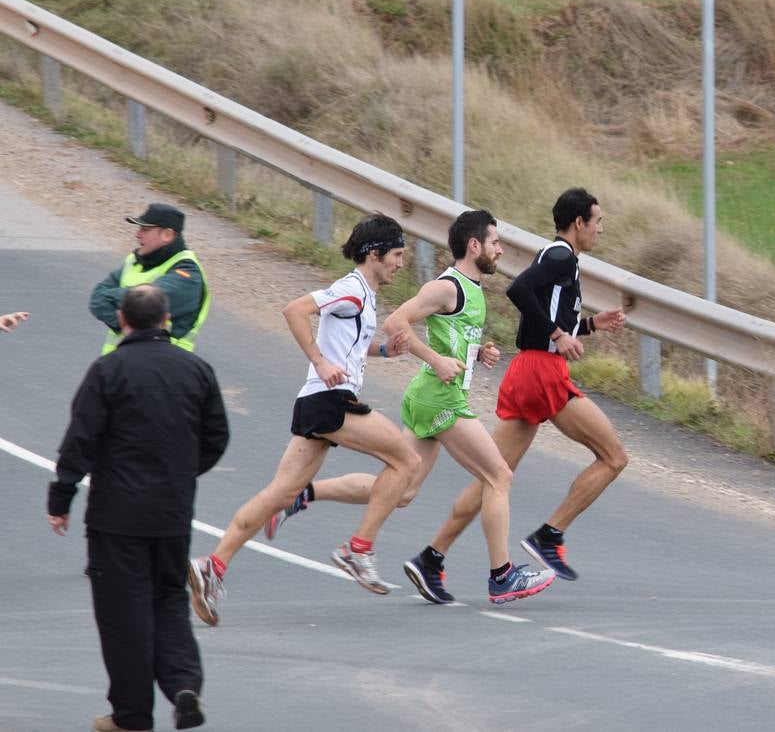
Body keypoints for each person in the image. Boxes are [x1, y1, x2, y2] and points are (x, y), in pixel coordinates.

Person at [264, 211, 555, 605]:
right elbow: (395, 324)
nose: (500, 250)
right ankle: (502, 575)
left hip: (432, 396)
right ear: (474, 245)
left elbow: (452, 336)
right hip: (440, 397)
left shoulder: (472, 288)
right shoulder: (447, 286)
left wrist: (477, 352)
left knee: (402, 492)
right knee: (499, 475)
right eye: (495, 243)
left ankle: (303, 494)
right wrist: (434, 360)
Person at [185, 214, 420, 626]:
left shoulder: (362, 294)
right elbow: (294, 310)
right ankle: (358, 549)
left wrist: (384, 352)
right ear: (374, 254)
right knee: (407, 462)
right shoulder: (351, 289)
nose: (401, 264)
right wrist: (319, 361)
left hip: (316, 401)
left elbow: (347, 347)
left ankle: (212, 566)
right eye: (397, 255)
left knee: (280, 493)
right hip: (330, 400)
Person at [414, 188, 627, 585]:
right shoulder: (561, 255)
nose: (601, 229)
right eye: (597, 221)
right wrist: (558, 334)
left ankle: (431, 557)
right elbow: (519, 290)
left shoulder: (564, 261)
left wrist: (592, 325)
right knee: (614, 457)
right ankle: (551, 534)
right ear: (578, 223)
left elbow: (542, 320)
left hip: (530, 369)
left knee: (494, 475)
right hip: (542, 373)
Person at [47, 285, 230, 732]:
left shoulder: (108, 370)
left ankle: (130, 716)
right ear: (166, 321)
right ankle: (185, 684)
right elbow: (216, 436)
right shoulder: (197, 369)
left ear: (123, 322)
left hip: (116, 517)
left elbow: (81, 438)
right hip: (172, 512)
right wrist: (181, 473)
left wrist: (62, 497)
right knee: (168, 600)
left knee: (122, 612)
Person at [89, 204, 210, 354]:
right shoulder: (134, 261)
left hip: (164, 365)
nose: (137, 234)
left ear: (167, 235)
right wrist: (127, 321)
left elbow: (147, 302)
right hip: (119, 363)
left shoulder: (188, 273)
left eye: (145, 229)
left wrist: (124, 317)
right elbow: (98, 298)